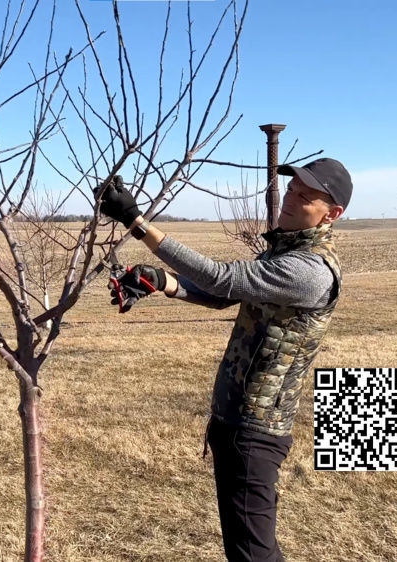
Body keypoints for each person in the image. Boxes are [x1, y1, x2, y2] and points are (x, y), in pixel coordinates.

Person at [94, 158, 352, 562]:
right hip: (238, 423)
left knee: (253, 554)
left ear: (331, 215)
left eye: (305, 195)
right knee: (249, 548)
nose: (290, 198)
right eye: (291, 188)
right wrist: (162, 282)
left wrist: (136, 222)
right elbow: (221, 296)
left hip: (254, 429)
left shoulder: (310, 270)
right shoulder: (283, 254)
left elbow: (223, 277)